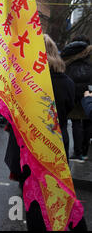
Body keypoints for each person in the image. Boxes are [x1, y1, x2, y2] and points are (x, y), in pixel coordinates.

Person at [44, 34, 75, 162]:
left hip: (30, 142)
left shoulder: (27, 81)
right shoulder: (68, 83)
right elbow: (70, 107)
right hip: (58, 138)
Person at [61, 38, 92, 162]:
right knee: (87, 122)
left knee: (76, 123)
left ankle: (77, 152)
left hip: (75, 96)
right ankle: (84, 152)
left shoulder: (70, 63)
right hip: (87, 94)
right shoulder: (88, 63)